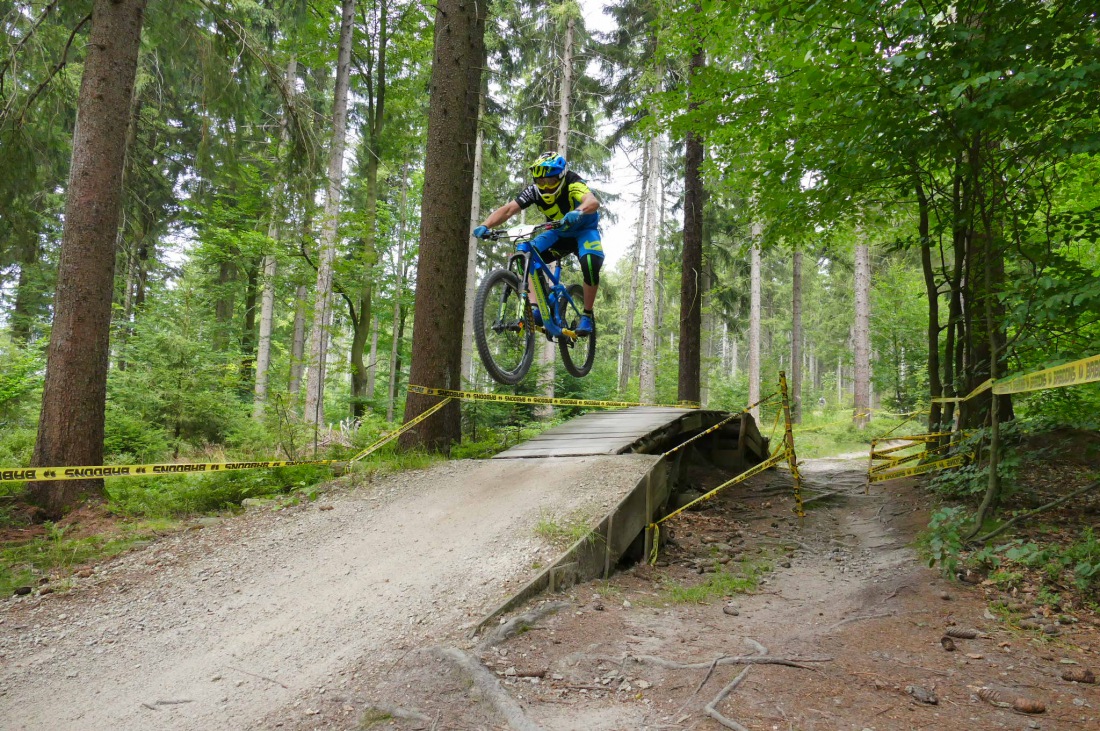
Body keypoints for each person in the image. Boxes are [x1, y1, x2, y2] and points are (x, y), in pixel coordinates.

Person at [473, 152, 602, 336]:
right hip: (558, 232)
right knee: (525, 254)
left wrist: (579, 211)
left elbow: (592, 201)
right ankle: (537, 306)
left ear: (561, 176)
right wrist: (486, 225)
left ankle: (587, 315)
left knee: (590, 263)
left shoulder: (573, 182)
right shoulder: (534, 191)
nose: (546, 186)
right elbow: (509, 210)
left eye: (550, 181)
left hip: (584, 231)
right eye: (541, 182)